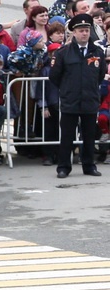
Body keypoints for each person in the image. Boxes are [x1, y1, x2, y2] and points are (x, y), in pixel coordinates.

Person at [50, 13, 107, 176]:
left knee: (89, 136)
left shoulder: (97, 52)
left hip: (89, 99)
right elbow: (55, 76)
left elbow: (100, 74)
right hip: (70, 100)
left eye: (86, 30)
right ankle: (63, 167)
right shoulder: (63, 53)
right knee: (67, 136)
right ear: (74, 33)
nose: (84, 33)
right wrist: (68, 89)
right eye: (81, 30)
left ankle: (89, 166)